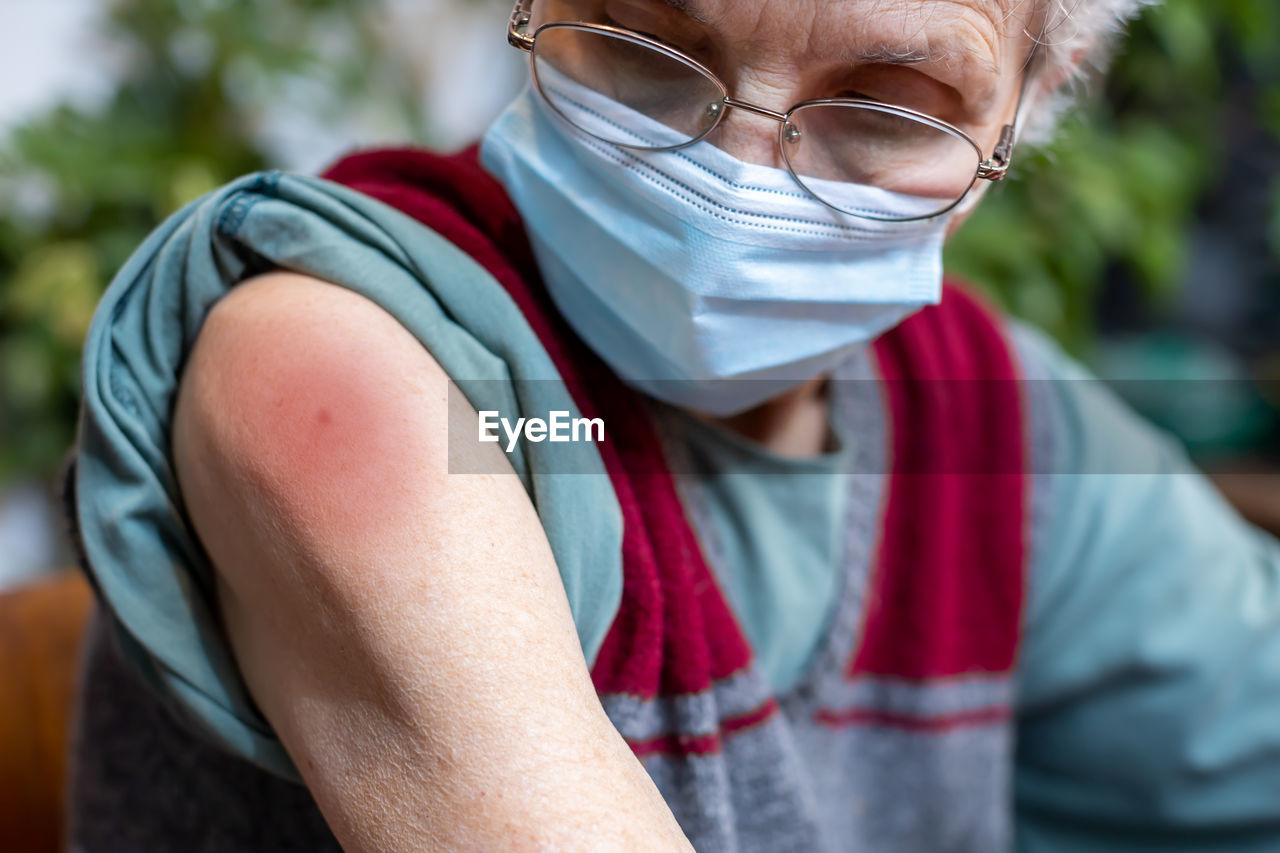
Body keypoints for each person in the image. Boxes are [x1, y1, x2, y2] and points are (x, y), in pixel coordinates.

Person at [62, 0, 1280, 850]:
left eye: (885, 105)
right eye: (649, 39)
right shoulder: (361, 370)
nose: (733, 179)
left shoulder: (977, 424)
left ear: (1033, 99)